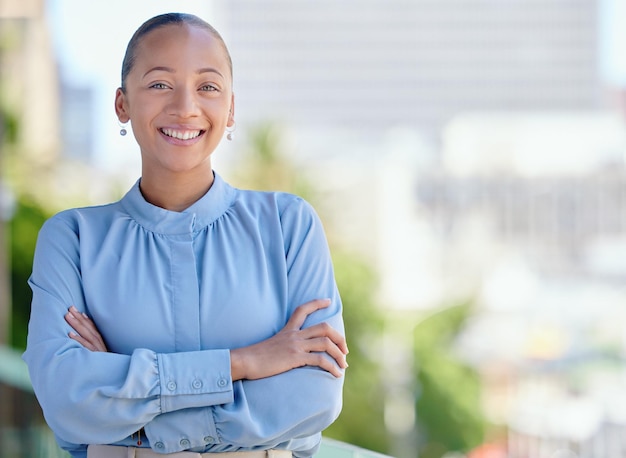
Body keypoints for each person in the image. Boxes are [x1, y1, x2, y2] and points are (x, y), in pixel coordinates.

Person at [23, 12, 347, 458]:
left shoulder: (289, 225)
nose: (185, 107)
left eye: (208, 87)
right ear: (122, 103)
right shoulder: (72, 239)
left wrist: (123, 397)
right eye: (159, 84)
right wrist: (245, 363)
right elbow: (65, 399)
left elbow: (313, 399)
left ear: (231, 107)